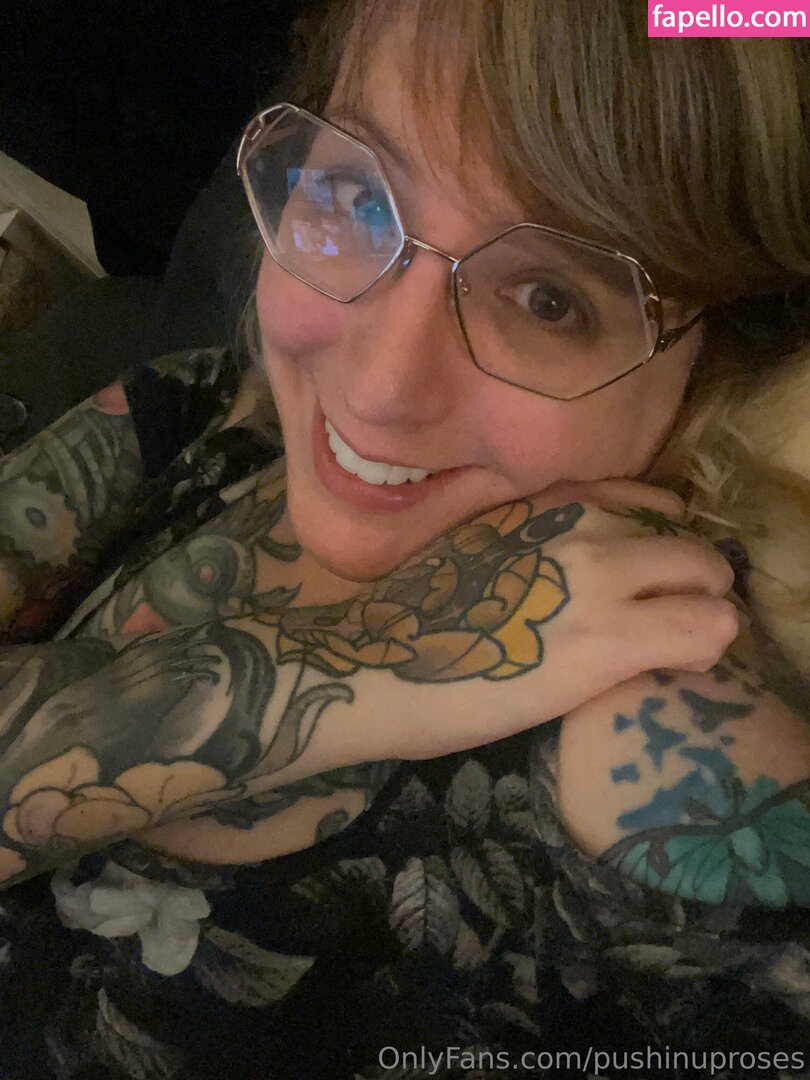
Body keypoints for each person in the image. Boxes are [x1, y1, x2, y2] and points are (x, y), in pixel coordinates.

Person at [0, 1, 808, 1077]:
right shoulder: (202, 408)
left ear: (724, 368)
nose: (379, 389)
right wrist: (362, 659)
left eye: (548, 299)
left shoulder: (667, 759)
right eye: (355, 195)